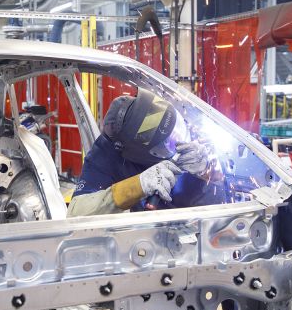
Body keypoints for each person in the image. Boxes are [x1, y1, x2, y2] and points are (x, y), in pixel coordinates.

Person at [68, 88, 225, 216]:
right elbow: (75, 213)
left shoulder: (187, 142)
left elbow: (219, 202)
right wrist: (138, 185)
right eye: (168, 141)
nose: (179, 142)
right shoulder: (106, 154)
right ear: (138, 151)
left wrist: (208, 172)